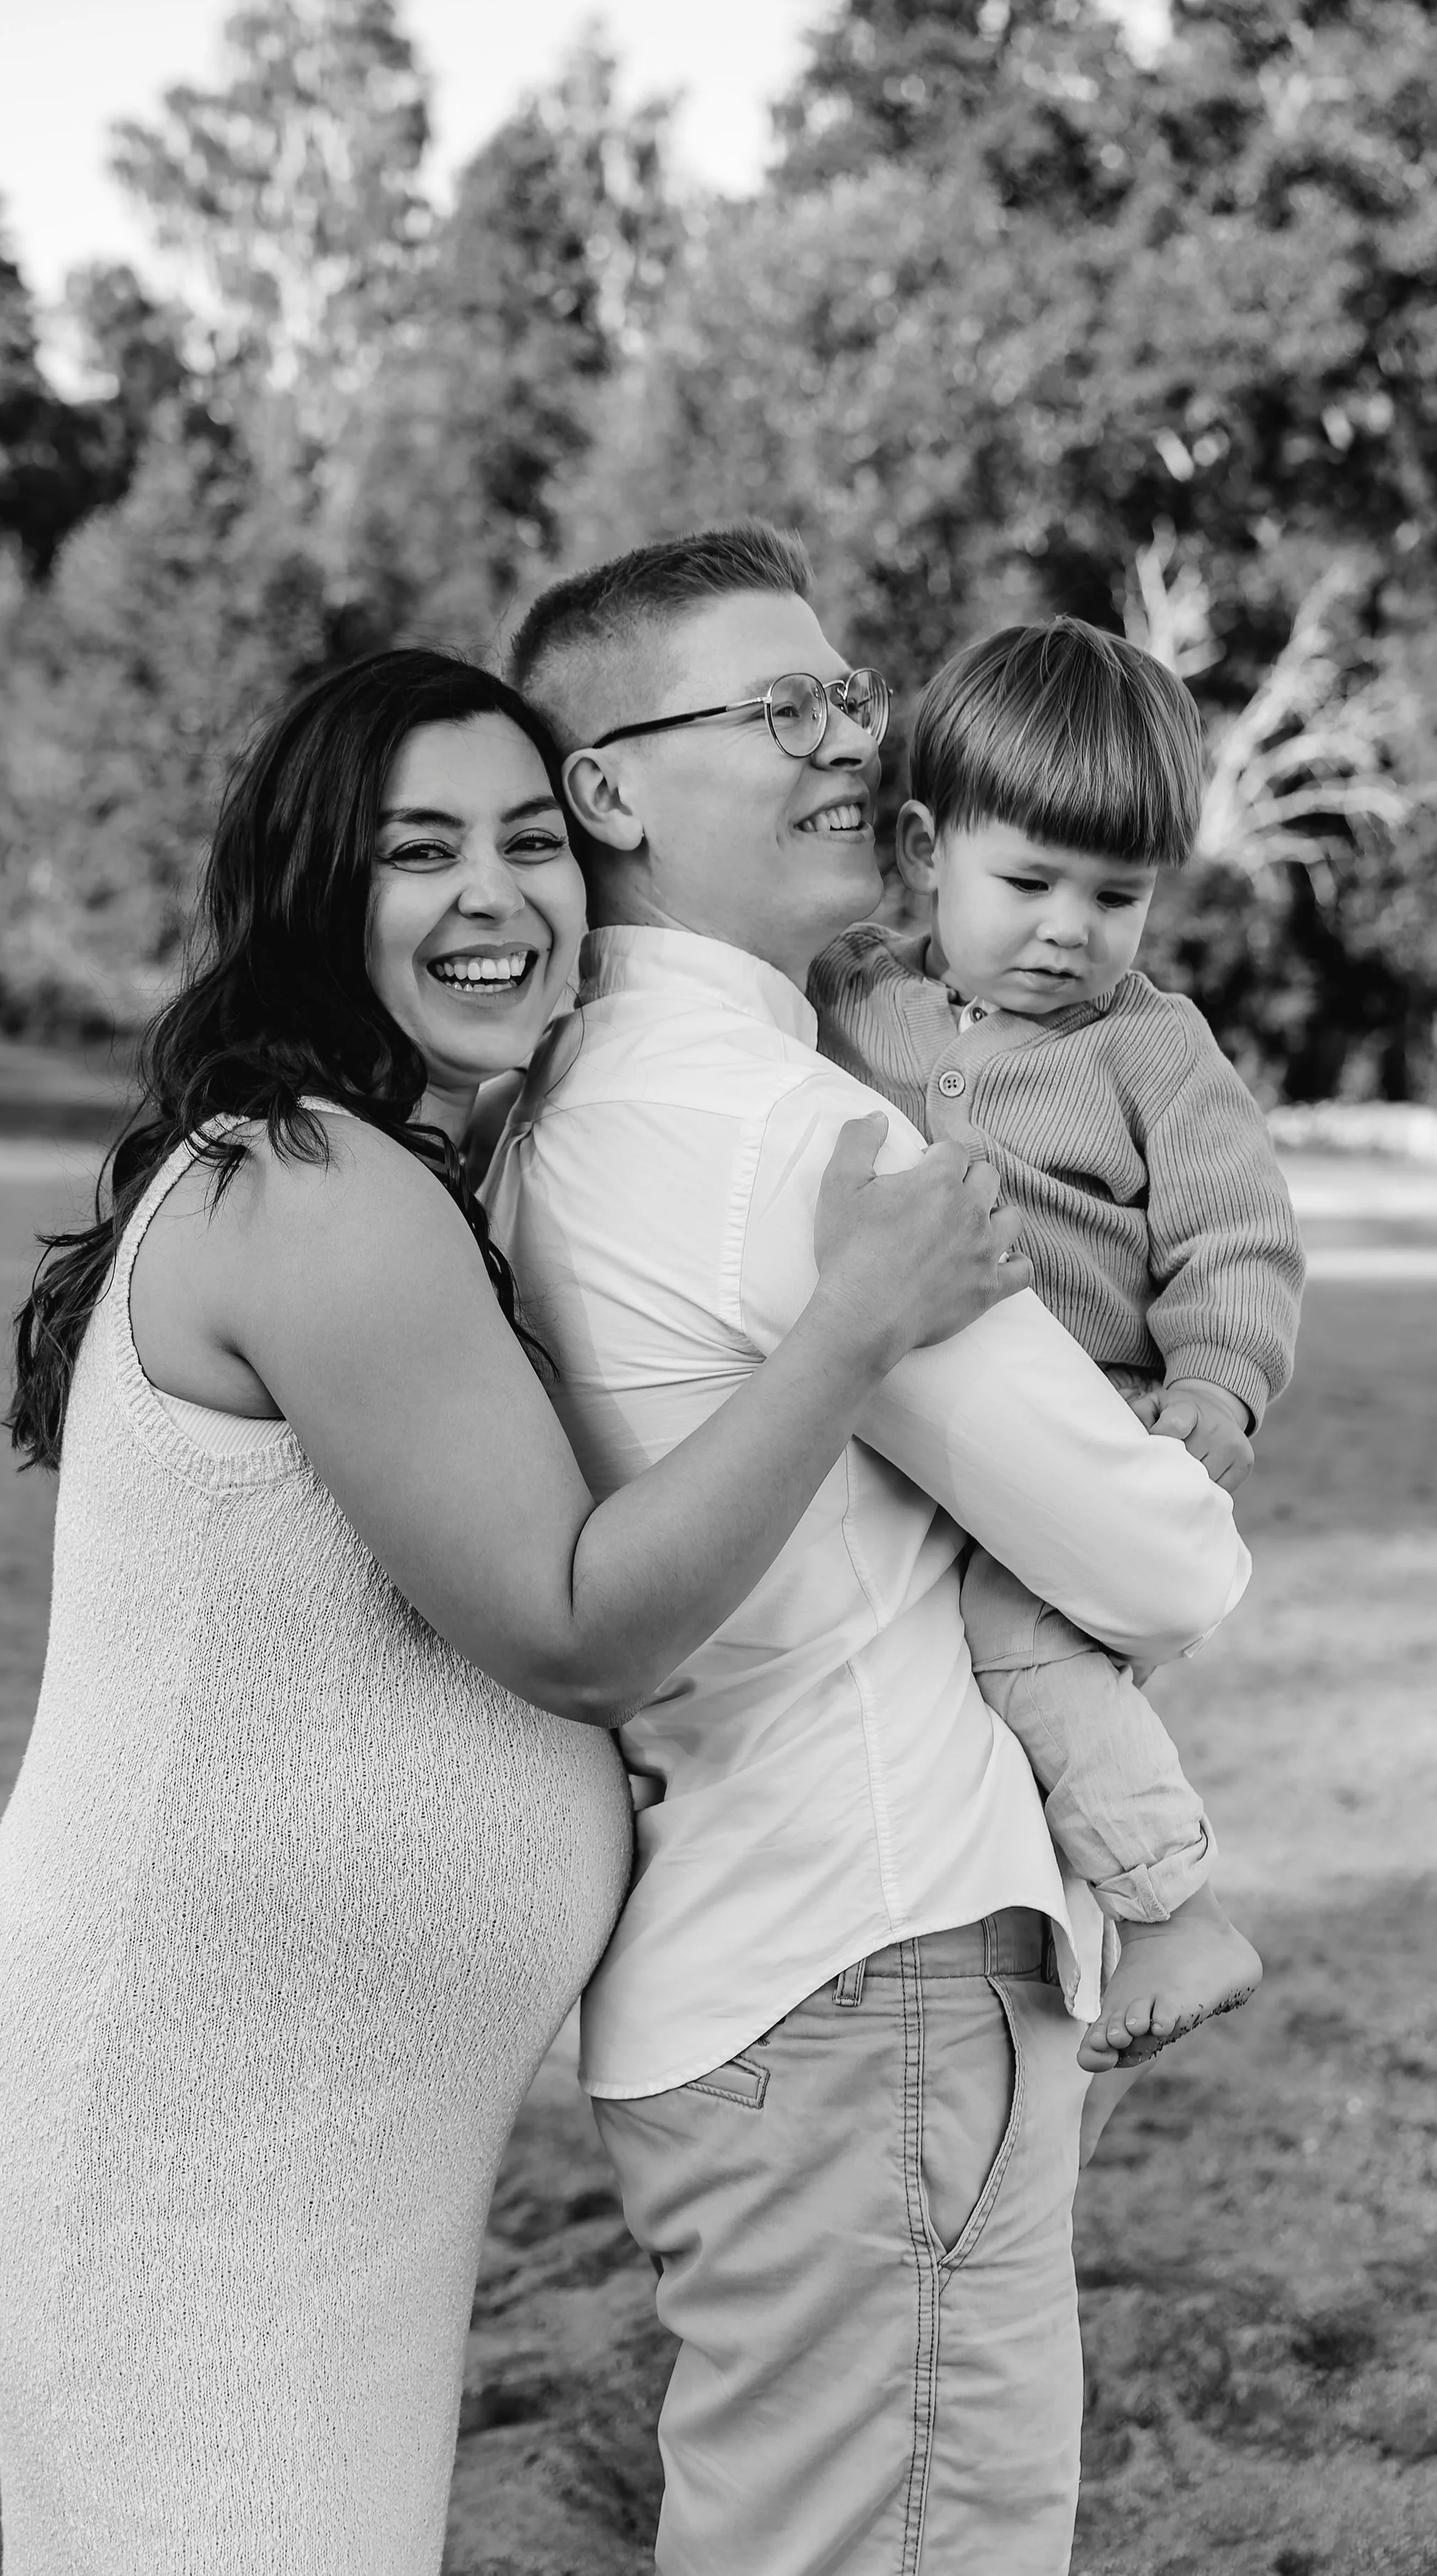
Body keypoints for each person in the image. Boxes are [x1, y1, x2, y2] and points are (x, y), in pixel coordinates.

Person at [0, 648, 1031, 2575]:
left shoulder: (394, 1167)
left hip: (315, 2120)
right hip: (190, 2121)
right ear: (312, 893)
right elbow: (577, 1624)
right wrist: (854, 1317)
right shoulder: (316, 1187)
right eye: (416, 851)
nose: (495, 895)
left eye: (530, 839)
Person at [493, 525, 1250, 2574]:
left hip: (740, 1971)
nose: (847, 735)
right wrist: (1186, 1450)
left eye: (841, 691)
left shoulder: (574, 1096)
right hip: (877, 1966)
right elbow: (1161, 1562)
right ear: (610, 788)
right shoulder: (787, 1132)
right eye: (775, 705)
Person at [811, 618, 1303, 2074]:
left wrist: (1215, 1383)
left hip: (1079, 1432)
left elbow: (1235, 1231)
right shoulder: (849, 1000)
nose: (1068, 932)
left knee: (1019, 1656)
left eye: (1115, 896)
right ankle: (1062, 1965)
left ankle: (1172, 1910)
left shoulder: (1149, 1050)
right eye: (1025, 881)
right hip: (906, 1429)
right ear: (921, 848)